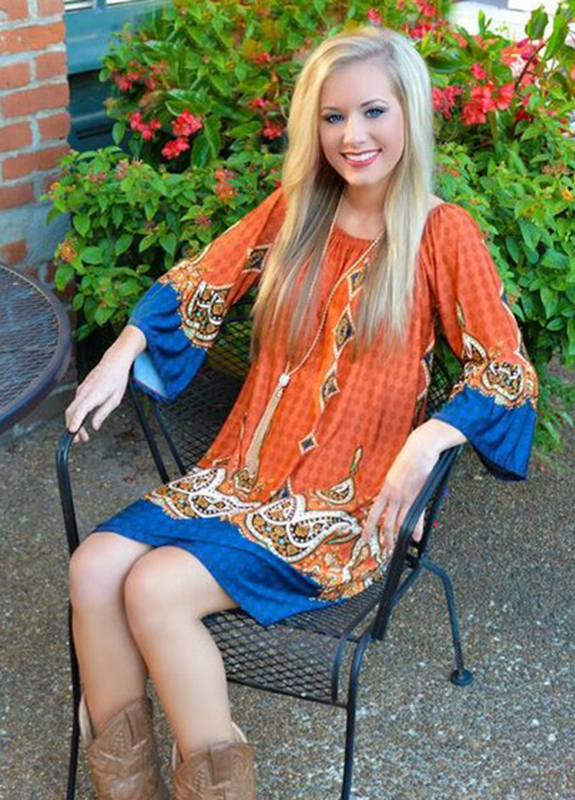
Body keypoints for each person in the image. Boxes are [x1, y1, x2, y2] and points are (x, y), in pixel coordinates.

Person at [65, 25, 538, 800]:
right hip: (236, 481)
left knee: (154, 588)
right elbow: (200, 280)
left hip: (338, 512)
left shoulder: (441, 235)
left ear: (410, 114)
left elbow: (506, 371)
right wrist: (123, 350)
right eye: (332, 116)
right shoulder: (298, 211)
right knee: (93, 569)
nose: (353, 136)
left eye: (373, 111)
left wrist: (429, 438)